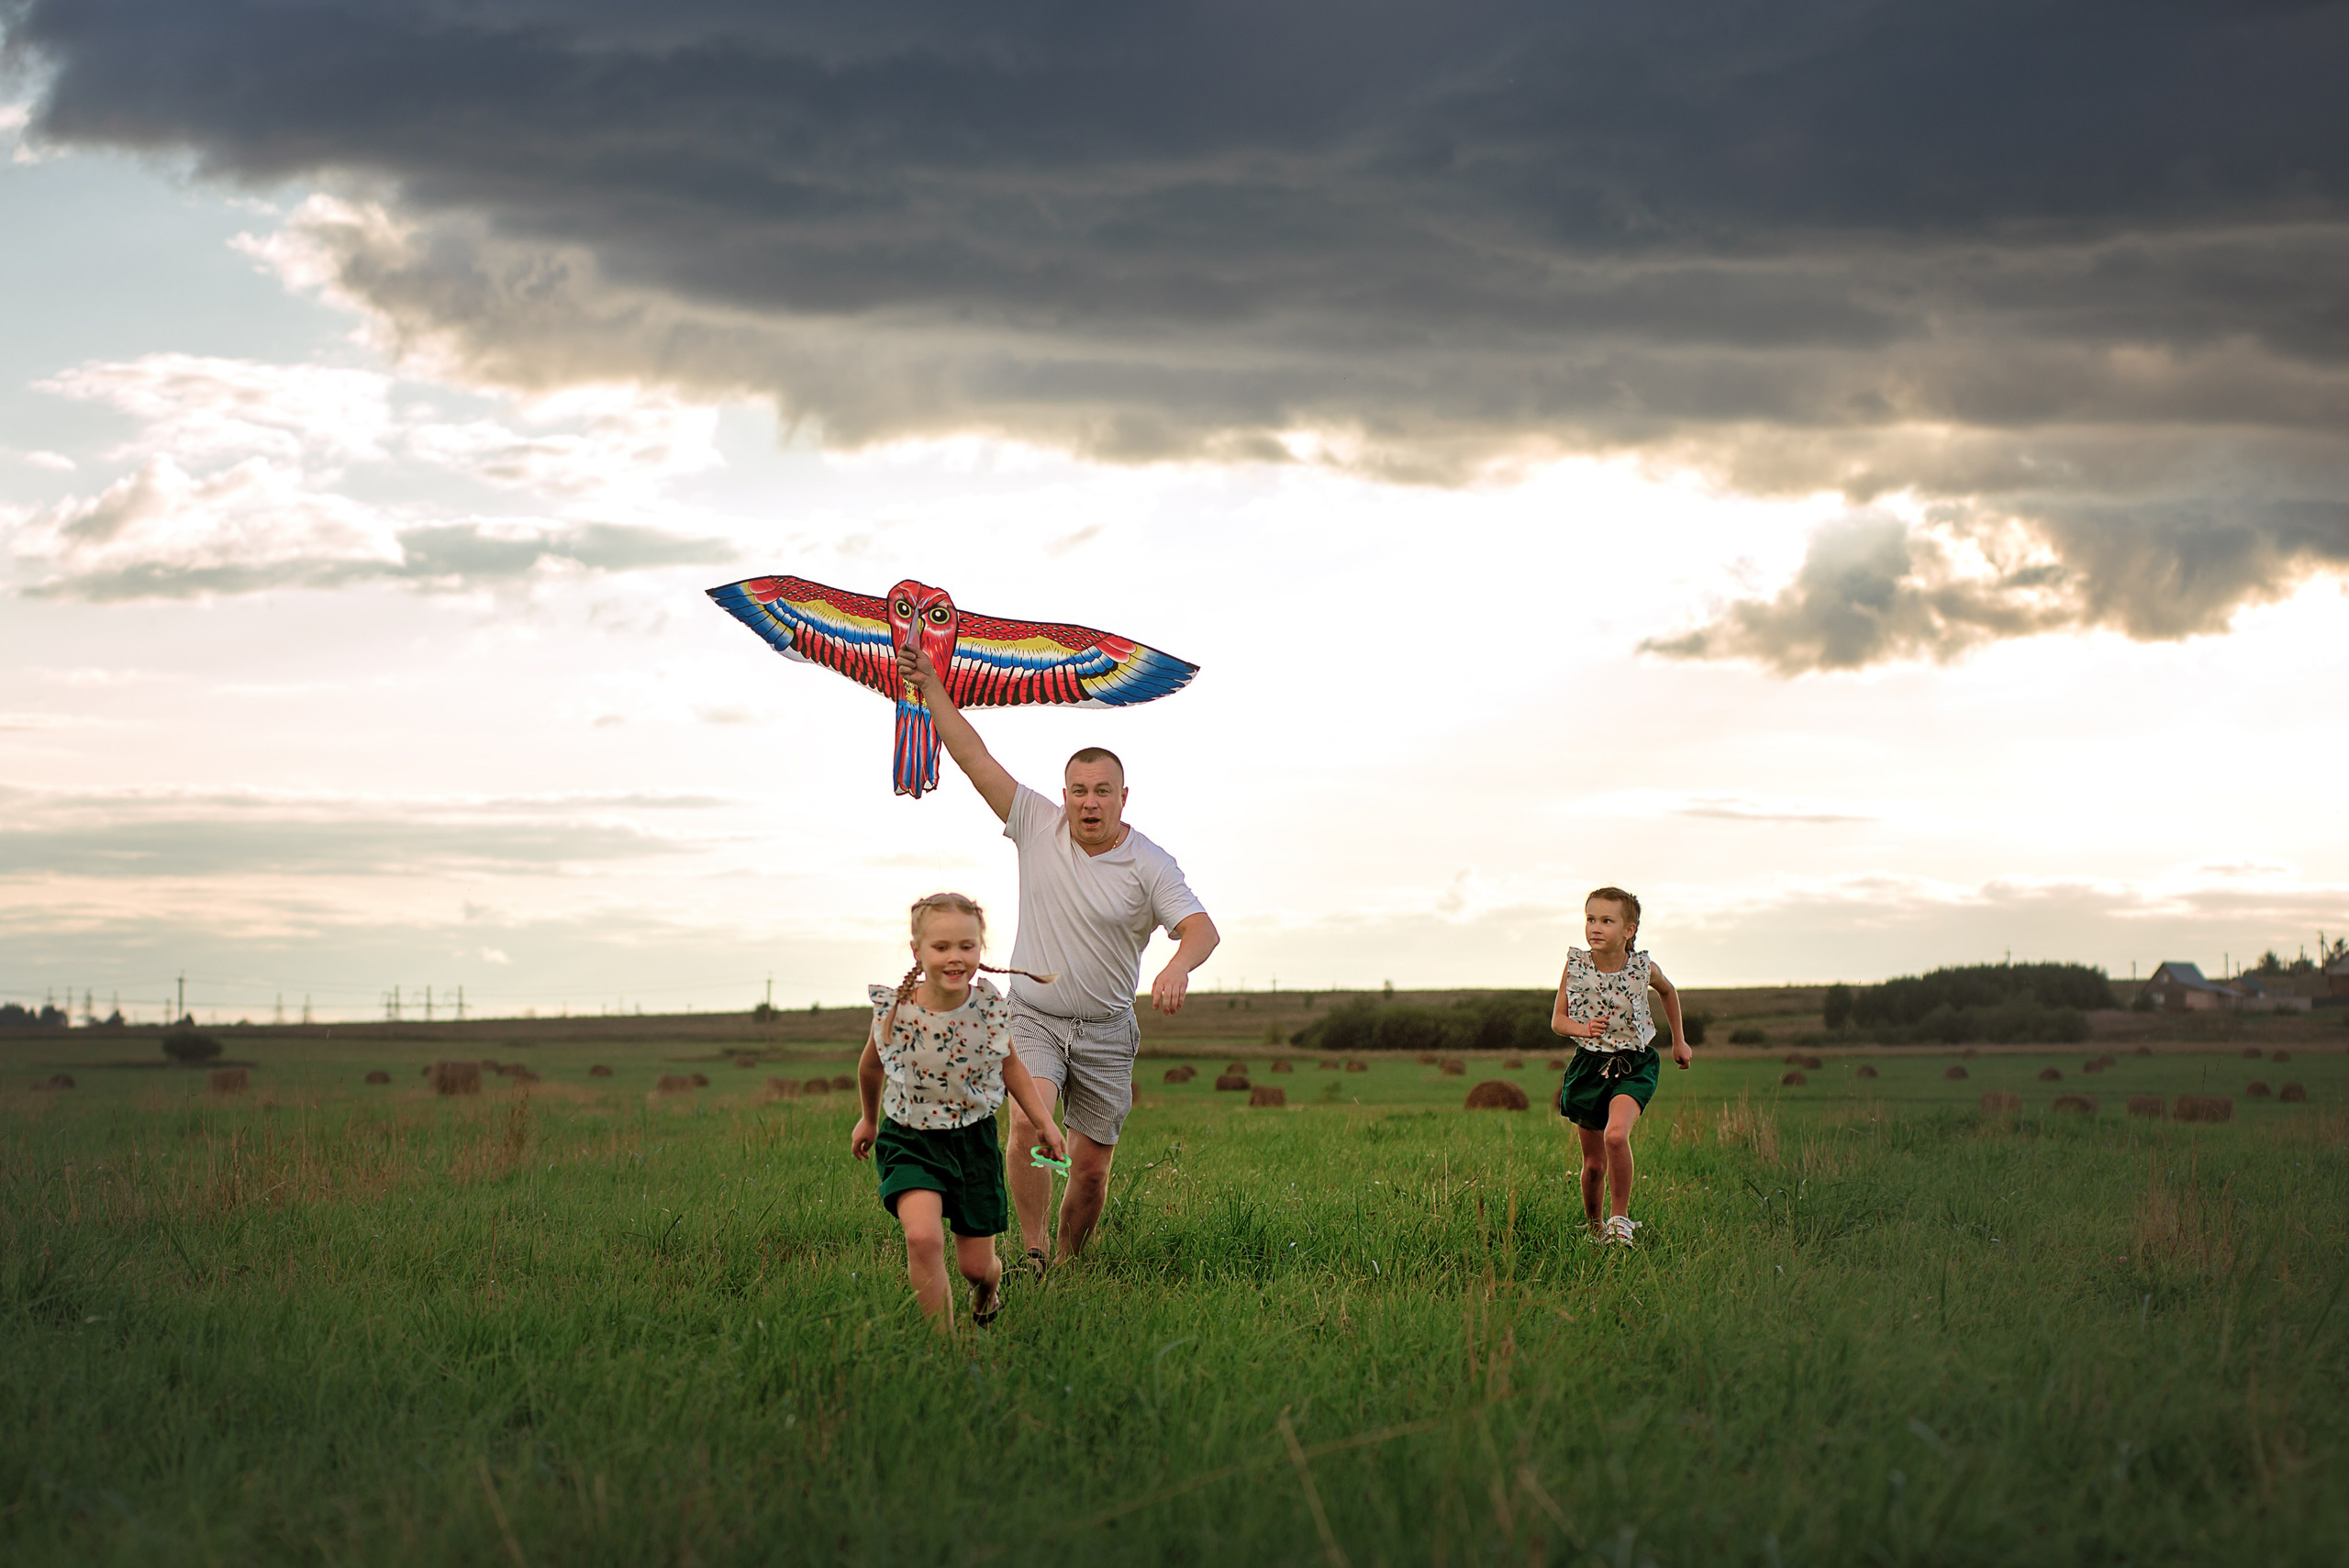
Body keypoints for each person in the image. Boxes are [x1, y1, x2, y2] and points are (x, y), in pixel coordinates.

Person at [896, 640, 1219, 1276]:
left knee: (1092, 1170)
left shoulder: (1148, 864)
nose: (1088, 803)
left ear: (1124, 796)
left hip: (1105, 1030)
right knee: (1027, 1125)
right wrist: (932, 687)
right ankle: (1036, 1251)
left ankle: (1070, 1258)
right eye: (1078, 790)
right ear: (1064, 792)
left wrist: (1179, 964)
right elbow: (972, 756)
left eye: (1102, 791)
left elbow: (1202, 929)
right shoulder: (1034, 824)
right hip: (1035, 1019)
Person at [850, 892, 1068, 1329]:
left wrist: (1044, 1122)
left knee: (976, 1267)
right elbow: (871, 1066)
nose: (955, 958)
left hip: (973, 1141)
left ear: (980, 949)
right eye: (941, 947)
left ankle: (988, 1292)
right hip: (909, 1137)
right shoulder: (895, 1009)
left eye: (966, 947)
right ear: (917, 951)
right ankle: (944, 1347)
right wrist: (870, 1119)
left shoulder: (988, 1008)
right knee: (922, 1237)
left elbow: (1012, 1068)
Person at [1550, 886, 1692, 1244]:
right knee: (1594, 1165)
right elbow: (1557, 1021)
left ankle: (1620, 1220)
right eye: (1590, 919)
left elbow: (1669, 991)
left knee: (1616, 1135)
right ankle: (1595, 1226)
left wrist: (1679, 1040)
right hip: (1589, 1067)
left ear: (1629, 930)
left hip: (1634, 1063)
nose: (1595, 927)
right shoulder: (1577, 966)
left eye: (1606, 921)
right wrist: (1583, 1029)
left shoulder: (1642, 967)